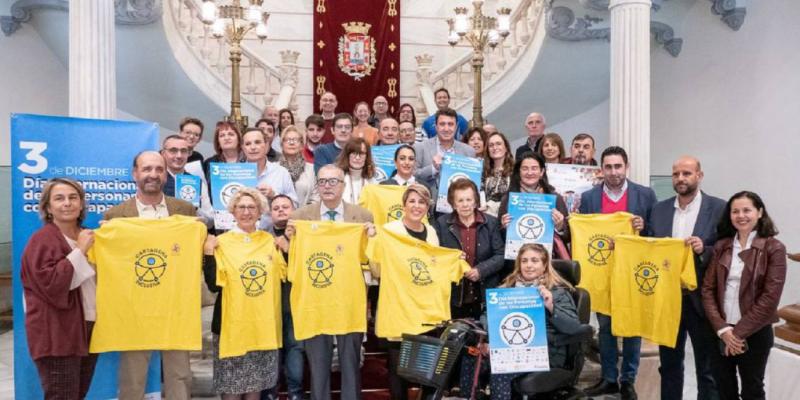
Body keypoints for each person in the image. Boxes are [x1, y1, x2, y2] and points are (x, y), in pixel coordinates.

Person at [103, 151, 197, 400]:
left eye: (158, 169)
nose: (153, 175)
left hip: (176, 307)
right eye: (146, 169)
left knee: (180, 376)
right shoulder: (115, 216)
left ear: (166, 174)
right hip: (135, 309)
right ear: (135, 173)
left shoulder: (185, 211)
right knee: (132, 378)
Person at [287, 165, 376, 400]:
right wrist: (288, 238)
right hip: (315, 301)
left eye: (332, 181)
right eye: (322, 181)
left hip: (349, 300)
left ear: (343, 185)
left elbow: (372, 260)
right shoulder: (300, 218)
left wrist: (374, 238)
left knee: (350, 365)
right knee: (318, 367)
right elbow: (290, 259)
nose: (327, 186)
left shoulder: (363, 216)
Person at [580, 146, 657, 400]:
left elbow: (656, 233)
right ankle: (609, 378)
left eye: (618, 166)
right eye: (608, 167)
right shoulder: (590, 198)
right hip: (602, 273)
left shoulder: (645, 195)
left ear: (627, 167)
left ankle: (628, 380)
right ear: (601, 169)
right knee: (606, 327)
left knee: (632, 327)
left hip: (633, 272)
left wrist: (644, 227)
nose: (613, 172)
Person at [647, 156, 726, 400]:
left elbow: (726, 248)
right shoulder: (659, 210)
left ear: (699, 176)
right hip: (667, 300)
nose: (680, 178)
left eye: (686, 173)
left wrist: (705, 249)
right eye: (676, 174)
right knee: (669, 365)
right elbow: (649, 247)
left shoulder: (719, 208)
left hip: (702, 299)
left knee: (707, 367)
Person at [461, 243, 581, 399]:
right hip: (508, 348)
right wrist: (490, 340)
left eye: (534, 260)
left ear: (544, 265)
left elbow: (573, 327)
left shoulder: (557, 292)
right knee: (471, 356)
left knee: (502, 370)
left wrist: (551, 306)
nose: (529, 265)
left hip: (546, 351)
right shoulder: (506, 290)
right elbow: (487, 316)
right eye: (524, 261)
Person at [702, 191, 786, 400]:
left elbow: (770, 298)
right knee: (723, 388)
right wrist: (723, 329)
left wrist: (737, 334)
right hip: (720, 331)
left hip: (754, 334)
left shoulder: (774, 248)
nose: (741, 216)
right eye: (735, 211)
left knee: (752, 390)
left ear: (759, 212)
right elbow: (707, 289)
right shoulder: (722, 246)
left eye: (747, 210)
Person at [21, 178, 99, 399]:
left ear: (82, 204)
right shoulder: (41, 240)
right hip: (57, 333)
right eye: (59, 198)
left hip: (89, 327)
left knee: (78, 394)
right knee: (62, 395)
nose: (67, 203)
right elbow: (53, 285)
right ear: (48, 207)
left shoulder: (90, 235)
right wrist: (80, 250)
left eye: (73, 197)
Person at [202, 188, 281, 399]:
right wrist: (209, 254)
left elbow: (286, 276)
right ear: (233, 211)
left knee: (255, 389)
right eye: (241, 207)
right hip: (231, 328)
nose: (246, 212)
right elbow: (213, 285)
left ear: (260, 212)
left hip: (260, 327)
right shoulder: (221, 243)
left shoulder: (270, 242)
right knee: (231, 390)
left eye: (252, 207)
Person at [379, 184, 439, 400]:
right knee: (398, 371)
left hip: (423, 309)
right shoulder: (390, 231)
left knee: (424, 370)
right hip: (398, 308)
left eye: (422, 202)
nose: (416, 206)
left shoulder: (431, 232)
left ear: (427, 207)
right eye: (412, 201)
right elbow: (377, 267)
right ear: (404, 205)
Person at [436, 179, 504, 319]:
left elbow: (500, 255)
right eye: (460, 200)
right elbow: (436, 257)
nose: (465, 204)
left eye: (469, 199)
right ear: (453, 203)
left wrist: (481, 270)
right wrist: (452, 261)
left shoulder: (490, 222)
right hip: (454, 297)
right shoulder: (441, 224)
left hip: (484, 297)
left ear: (475, 201)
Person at [262, 194, 304, 400]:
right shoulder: (260, 236)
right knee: (272, 349)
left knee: (295, 347)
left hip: (295, 300)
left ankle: (296, 393)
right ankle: (271, 393)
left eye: (285, 206)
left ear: (294, 210)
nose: (280, 210)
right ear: (269, 213)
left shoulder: (304, 235)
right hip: (268, 302)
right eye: (276, 207)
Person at [498, 152, 570, 258]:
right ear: (519, 172)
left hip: (548, 259)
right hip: (516, 259)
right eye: (525, 168)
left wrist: (560, 227)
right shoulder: (509, 199)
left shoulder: (555, 198)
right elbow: (497, 237)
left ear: (542, 172)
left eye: (534, 168)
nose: (530, 172)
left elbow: (568, 237)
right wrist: (504, 227)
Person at [241, 127, 298, 229]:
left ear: (266, 145)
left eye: (257, 142)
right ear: (243, 148)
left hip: (274, 236)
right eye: (248, 144)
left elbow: (295, 206)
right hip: (241, 236)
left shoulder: (281, 172)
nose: (253, 147)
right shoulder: (234, 173)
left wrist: (274, 196)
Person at [161, 135, 215, 228]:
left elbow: (210, 221)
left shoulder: (197, 183)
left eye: (183, 151)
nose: (179, 155)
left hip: (190, 236)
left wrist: (195, 209)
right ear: (163, 153)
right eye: (173, 151)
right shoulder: (156, 180)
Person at [414, 108, 476, 188]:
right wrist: (433, 168)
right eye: (442, 124)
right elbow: (413, 176)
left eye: (450, 124)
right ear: (436, 126)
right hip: (430, 198)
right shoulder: (420, 148)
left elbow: (473, 181)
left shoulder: (468, 151)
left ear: (456, 126)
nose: (446, 129)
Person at [279, 125, 317, 206]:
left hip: (304, 217)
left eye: (296, 140)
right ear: (282, 144)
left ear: (302, 145)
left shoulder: (311, 169)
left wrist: (303, 214)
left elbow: (316, 197)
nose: (292, 143)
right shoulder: (274, 168)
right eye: (288, 140)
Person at [335, 137, 377, 204]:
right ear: (347, 155)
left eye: (362, 154)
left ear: (367, 156)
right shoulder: (337, 179)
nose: (357, 158)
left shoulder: (373, 181)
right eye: (354, 153)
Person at [202, 121, 246, 186]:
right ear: (218, 142)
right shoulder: (209, 163)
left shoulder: (249, 160)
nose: (226, 138)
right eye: (222, 135)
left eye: (231, 134)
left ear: (239, 139)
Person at [481, 132, 513, 217]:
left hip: (507, 218)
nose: (495, 147)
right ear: (487, 150)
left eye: (498, 144)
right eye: (491, 145)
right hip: (486, 219)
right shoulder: (483, 172)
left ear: (506, 148)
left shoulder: (516, 171)